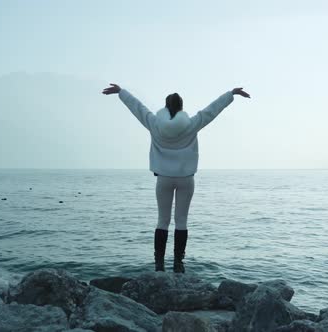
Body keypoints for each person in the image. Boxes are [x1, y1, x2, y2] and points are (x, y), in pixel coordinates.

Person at [102, 83, 250, 273]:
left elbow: (137, 108)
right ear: (181, 107)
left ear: (165, 107)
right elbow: (212, 111)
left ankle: (159, 264)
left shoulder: (154, 123)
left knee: (162, 221)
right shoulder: (191, 124)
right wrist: (231, 94)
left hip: (163, 178)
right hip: (186, 179)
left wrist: (121, 92)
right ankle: (178, 264)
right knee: (181, 221)